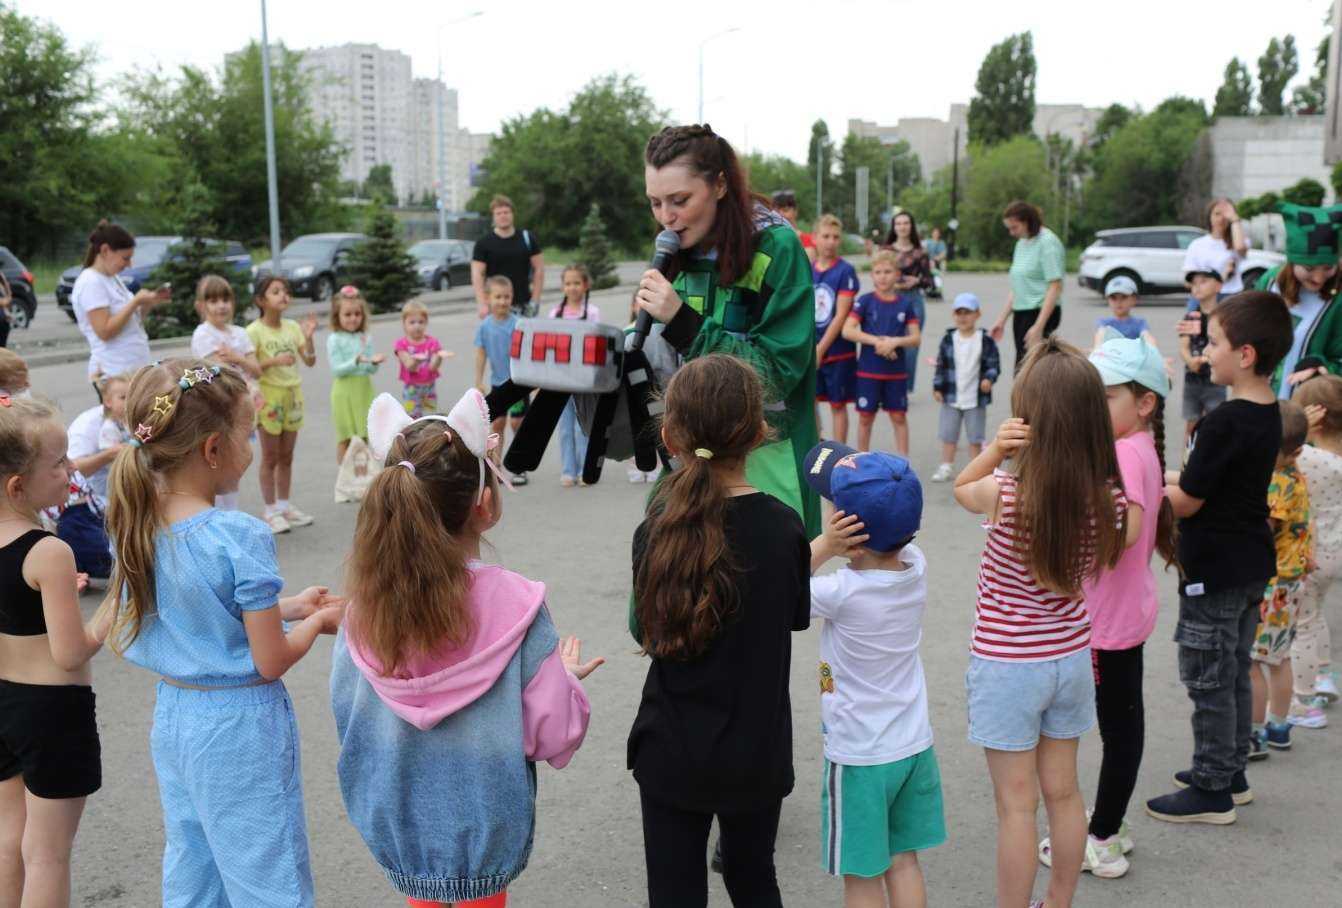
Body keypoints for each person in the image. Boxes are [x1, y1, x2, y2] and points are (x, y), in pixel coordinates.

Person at [331, 389, 599, 908]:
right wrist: (563, 678)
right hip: (485, 821)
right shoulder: (518, 605)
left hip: (403, 822)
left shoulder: (364, 608)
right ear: (484, 502)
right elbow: (553, 731)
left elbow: (350, 716)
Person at [101, 358, 344, 907]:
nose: (253, 446)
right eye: (247, 434)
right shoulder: (238, 535)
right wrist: (316, 621)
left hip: (177, 717)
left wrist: (284, 606)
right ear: (213, 450)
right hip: (240, 728)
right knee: (265, 869)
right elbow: (271, 661)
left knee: (195, 861)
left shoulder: (137, 522)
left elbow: (199, 609)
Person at [953, 338, 1132, 908]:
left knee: (1015, 805)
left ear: (1028, 421)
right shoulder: (1110, 500)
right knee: (1065, 794)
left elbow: (960, 488)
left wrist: (993, 450)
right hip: (1071, 659)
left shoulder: (1006, 493)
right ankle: (1058, 902)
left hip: (1008, 664)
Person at [628, 354, 810, 908]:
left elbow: (647, 632)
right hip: (756, 750)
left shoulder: (657, 528)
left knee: (674, 891)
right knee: (754, 877)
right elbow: (795, 617)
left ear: (669, 435)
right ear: (759, 433)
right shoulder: (784, 528)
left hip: (671, 748)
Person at [1146, 291, 1293, 825]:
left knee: (1207, 675)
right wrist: (1166, 479)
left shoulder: (1222, 421)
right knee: (1232, 668)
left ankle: (1211, 790)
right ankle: (1231, 770)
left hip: (1213, 567)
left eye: (1214, 342)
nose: (1207, 353)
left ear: (1246, 354)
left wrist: (1141, 490)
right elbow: (1213, 483)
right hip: (1250, 564)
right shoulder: (1266, 413)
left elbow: (1188, 500)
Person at [637, 124, 821, 536]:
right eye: (655, 203)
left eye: (680, 200)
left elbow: (775, 375)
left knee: (762, 596)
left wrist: (684, 323)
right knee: (663, 590)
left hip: (766, 466)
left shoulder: (777, 249)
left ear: (719, 185)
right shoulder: (675, 254)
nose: (667, 217)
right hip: (689, 464)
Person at [1037, 334, 1175, 880]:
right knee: (1123, 726)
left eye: (1108, 396)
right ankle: (1109, 822)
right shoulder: (1138, 446)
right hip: (1126, 613)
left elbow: (1130, 524)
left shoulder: (1121, 453)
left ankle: (1103, 837)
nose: (1095, 408)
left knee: (1118, 731)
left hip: (1106, 625)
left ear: (1144, 404)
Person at [804, 443, 946, 907]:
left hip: (860, 755)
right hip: (912, 744)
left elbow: (779, 582)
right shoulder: (915, 567)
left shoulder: (841, 592)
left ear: (851, 533)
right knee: (904, 860)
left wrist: (825, 546)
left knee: (862, 874)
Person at [0, 394, 108, 908]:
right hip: (52, 713)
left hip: (5, 703)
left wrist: (59, 591)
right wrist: (114, 610)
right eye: (59, 463)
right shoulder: (49, 550)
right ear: (18, 486)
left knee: (10, 841)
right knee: (48, 854)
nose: (70, 470)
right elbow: (71, 652)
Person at [1248, 401, 1313, 755]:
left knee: (1253, 660)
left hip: (1272, 582)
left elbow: (1264, 529)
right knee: (1280, 656)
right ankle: (1279, 726)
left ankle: (1254, 735)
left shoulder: (1275, 481)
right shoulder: (1297, 475)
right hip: (1293, 578)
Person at [246, 276, 318, 533]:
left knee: (287, 456)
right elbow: (251, 368)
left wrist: (309, 338)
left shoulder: (292, 327)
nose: (283, 295)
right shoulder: (253, 331)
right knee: (270, 457)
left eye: (285, 291)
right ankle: (270, 510)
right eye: (276, 291)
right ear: (261, 300)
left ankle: (285, 506)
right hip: (269, 398)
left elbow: (309, 361)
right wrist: (273, 362)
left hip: (292, 396)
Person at [1253, 202, 1342, 397]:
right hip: (1259, 401)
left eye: (1328, 268)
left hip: (1311, 410)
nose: (1319, 278)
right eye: (1309, 269)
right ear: (1291, 261)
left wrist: (1321, 367)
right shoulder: (1269, 283)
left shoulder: (1338, 300)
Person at [70, 220, 167, 395]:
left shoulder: (111, 278)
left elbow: (131, 323)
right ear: (105, 250)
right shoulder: (90, 282)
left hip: (130, 368)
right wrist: (135, 302)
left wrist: (147, 304)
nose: (129, 264)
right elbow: (105, 331)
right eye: (125, 258)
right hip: (114, 372)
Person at [1293, 374, 1342, 713]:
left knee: (1302, 626)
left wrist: (1298, 430)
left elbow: (1276, 453)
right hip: (1334, 552)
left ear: (1317, 418)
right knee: (1315, 614)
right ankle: (1323, 674)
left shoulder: (1311, 459)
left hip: (1310, 554)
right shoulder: (1335, 460)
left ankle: (1302, 698)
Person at [843, 251, 920, 455]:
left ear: (897, 274)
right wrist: (878, 342)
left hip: (896, 372)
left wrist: (894, 342)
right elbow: (848, 330)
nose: (883, 276)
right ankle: (862, 461)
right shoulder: (865, 301)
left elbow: (915, 338)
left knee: (898, 417)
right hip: (868, 371)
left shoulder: (905, 304)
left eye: (887, 271)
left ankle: (904, 462)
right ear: (872, 275)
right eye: (878, 272)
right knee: (866, 418)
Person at [61, 374, 130, 582]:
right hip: (88, 503)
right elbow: (73, 468)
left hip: (115, 493)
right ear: (107, 400)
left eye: (132, 396)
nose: (129, 402)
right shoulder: (94, 426)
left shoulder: (127, 419)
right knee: (112, 555)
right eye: (123, 397)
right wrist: (110, 454)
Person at [931, 293, 999, 482]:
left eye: (967, 312)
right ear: (954, 315)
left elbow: (993, 364)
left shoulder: (985, 340)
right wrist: (937, 387)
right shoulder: (948, 339)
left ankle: (976, 469)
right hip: (951, 396)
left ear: (977, 314)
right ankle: (946, 466)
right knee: (948, 435)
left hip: (975, 398)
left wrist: (989, 379)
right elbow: (941, 365)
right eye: (959, 312)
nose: (963, 317)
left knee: (975, 437)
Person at [990, 201, 1065, 373]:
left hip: (1040, 311)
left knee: (1034, 368)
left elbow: (1055, 286)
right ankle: (1023, 400)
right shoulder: (1022, 243)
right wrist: (1001, 320)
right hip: (1022, 312)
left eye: (1014, 227)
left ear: (1027, 221)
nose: (1011, 233)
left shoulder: (1048, 243)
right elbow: (1018, 286)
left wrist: (1039, 326)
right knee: (1022, 366)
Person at [551, 264, 602, 486]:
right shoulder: (555, 314)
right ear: (563, 287)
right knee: (564, 427)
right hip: (561, 378)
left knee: (582, 426)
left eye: (577, 283)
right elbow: (549, 347)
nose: (572, 287)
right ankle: (568, 470)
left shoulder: (592, 312)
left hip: (583, 378)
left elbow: (598, 344)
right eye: (568, 283)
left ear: (585, 285)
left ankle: (584, 470)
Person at [812, 214, 860, 445]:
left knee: (837, 403)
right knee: (809, 401)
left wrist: (820, 350)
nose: (830, 241)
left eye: (835, 237)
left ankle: (838, 454)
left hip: (837, 350)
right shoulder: (807, 269)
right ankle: (815, 445)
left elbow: (841, 314)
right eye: (826, 236)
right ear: (815, 238)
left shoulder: (845, 271)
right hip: (810, 346)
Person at [474, 276, 525, 484]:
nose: (503, 301)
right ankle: (497, 467)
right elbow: (480, 353)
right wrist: (478, 379)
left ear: (512, 297)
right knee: (497, 425)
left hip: (518, 382)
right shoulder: (484, 327)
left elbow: (525, 353)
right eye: (498, 297)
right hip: (497, 383)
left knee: (517, 423)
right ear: (488, 298)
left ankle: (520, 466)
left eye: (506, 297)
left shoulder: (518, 324)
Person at [326, 285, 383, 465]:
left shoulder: (365, 336)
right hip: (344, 392)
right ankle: (345, 479)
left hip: (364, 390)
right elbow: (337, 370)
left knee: (364, 437)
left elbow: (370, 370)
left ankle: (363, 480)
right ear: (338, 316)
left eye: (357, 314)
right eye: (348, 315)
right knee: (346, 439)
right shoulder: (334, 338)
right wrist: (356, 361)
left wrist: (373, 363)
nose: (353, 319)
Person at [882, 211, 933, 392]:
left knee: (910, 346)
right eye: (898, 223)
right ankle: (886, 383)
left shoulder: (920, 253)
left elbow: (930, 282)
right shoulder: (886, 251)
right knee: (888, 340)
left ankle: (904, 388)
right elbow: (877, 273)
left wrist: (917, 281)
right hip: (890, 298)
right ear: (894, 227)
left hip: (913, 300)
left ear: (911, 226)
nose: (902, 227)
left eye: (906, 223)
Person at [472, 195, 544, 318]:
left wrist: (535, 300)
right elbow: (477, 274)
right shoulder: (483, 243)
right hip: (495, 306)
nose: (503, 216)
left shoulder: (527, 238)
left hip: (524, 305)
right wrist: (482, 303)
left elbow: (539, 269)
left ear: (512, 214)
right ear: (493, 217)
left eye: (506, 212)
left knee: (523, 338)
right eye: (498, 213)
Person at [1178, 264, 1228, 440]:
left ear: (1218, 286)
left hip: (1217, 379)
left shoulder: (1224, 317)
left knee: (1216, 424)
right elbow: (1183, 345)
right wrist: (1190, 360)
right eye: (1194, 283)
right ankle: (1187, 463)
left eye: (1204, 281)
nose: (1197, 286)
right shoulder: (1191, 316)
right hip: (1192, 379)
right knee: (1191, 426)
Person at [1183, 198, 1249, 295]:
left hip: (1231, 295)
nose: (1221, 218)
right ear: (1209, 216)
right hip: (1204, 297)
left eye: (1226, 214)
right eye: (1217, 214)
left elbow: (1240, 248)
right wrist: (1219, 277)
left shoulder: (1239, 240)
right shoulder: (1197, 244)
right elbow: (1187, 280)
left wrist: (1235, 219)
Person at [394, 300, 444, 418]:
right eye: (412, 322)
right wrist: (417, 360)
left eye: (421, 322)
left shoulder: (432, 342)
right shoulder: (402, 344)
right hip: (412, 389)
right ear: (404, 324)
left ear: (426, 323)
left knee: (429, 417)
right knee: (412, 417)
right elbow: (409, 366)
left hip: (429, 387)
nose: (417, 326)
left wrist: (439, 357)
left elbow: (433, 367)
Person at [1093, 276, 1157, 348]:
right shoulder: (1104, 323)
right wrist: (1097, 350)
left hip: (1134, 358)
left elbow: (1147, 337)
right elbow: (1100, 338)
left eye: (1124, 297)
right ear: (1108, 300)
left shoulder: (1139, 323)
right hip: (1110, 358)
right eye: (1113, 297)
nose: (1118, 302)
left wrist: (1154, 351)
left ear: (1134, 299)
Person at [772, 189, 816, 263]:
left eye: (785, 210)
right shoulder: (769, 241)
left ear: (795, 212)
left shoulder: (808, 241)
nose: (780, 215)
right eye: (776, 212)